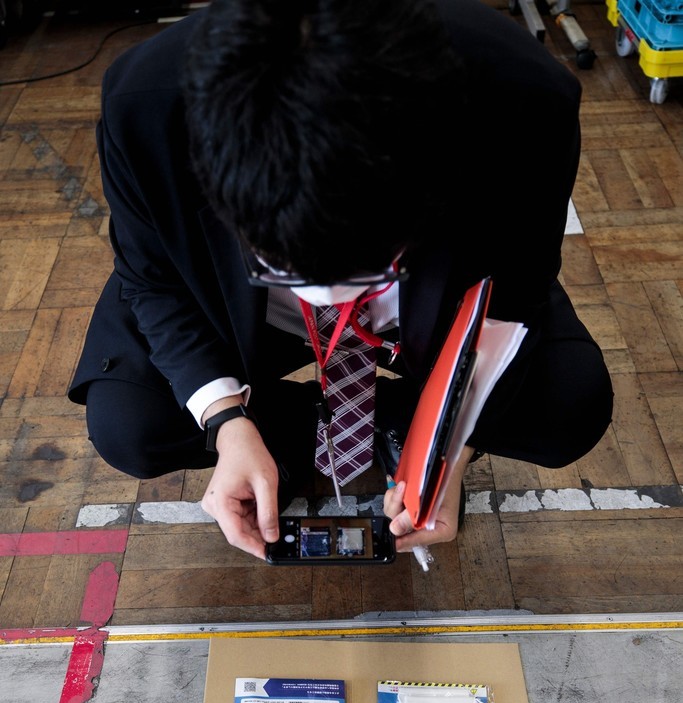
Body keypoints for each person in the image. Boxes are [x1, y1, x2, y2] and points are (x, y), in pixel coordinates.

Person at [69, 0, 613, 561]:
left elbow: (518, 286)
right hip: (245, 312)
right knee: (130, 423)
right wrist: (227, 420)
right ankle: (277, 437)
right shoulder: (144, 107)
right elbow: (154, 280)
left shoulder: (527, 100)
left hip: (430, 306)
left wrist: (450, 449)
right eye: (282, 265)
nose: (331, 297)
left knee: (569, 404)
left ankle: (401, 422)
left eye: (364, 269)